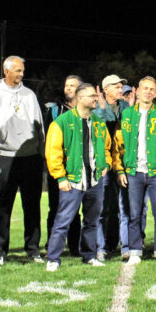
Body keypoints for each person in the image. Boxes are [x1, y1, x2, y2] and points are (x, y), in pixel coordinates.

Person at [0, 55, 45, 265]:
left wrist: (41, 153)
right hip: (4, 156)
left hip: (29, 157)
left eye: (22, 70)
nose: (21, 74)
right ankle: (0, 250)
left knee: (32, 205)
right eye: (17, 70)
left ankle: (33, 248)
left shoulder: (29, 94)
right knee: (2, 206)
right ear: (6, 71)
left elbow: (39, 126)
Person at [45, 83, 112, 271]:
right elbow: (53, 151)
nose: (96, 99)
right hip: (73, 179)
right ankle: (53, 258)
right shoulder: (62, 122)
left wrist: (106, 165)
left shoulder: (99, 121)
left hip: (95, 180)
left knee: (91, 221)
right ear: (80, 98)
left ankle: (89, 255)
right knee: (63, 221)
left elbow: (106, 147)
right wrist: (60, 177)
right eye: (92, 96)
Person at [114, 76, 156, 266]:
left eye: (152, 89)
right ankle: (135, 251)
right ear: (138, 91)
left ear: (155, 93)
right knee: (134, 213)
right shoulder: (126, 116)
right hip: (133, 173)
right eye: (145, 88)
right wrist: (119, 170)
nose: (148, 92)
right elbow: (118, 145)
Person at [44, 74, 83, 257]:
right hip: (58, 167)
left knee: (75, 209)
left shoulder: (86, 111)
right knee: (55, 207)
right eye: (67, 85)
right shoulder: (55, 110)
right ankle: (51, 245)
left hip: (77, 167)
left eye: (73, 85)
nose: (68, 88)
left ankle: (75, 246)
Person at [92, 74, 130, 260]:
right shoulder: (98, 108)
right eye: (116, 86)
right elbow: (99, 127)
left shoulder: (125, 106)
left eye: (121, 86)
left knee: (121, 208)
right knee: (102, 207)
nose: (120, 89)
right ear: (105, 89)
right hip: (105, 163)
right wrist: (101, 108)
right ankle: (100, 247)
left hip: (122, 163)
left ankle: (115, 243)